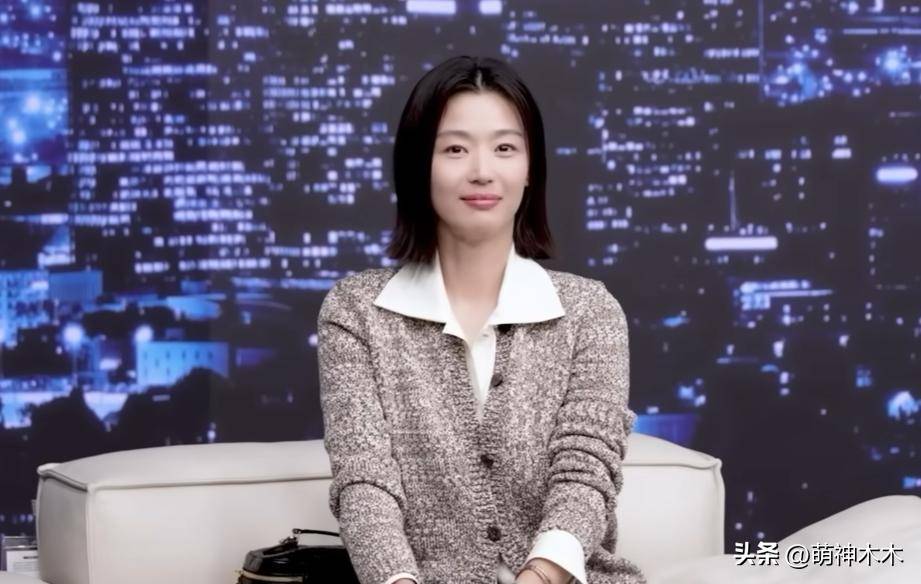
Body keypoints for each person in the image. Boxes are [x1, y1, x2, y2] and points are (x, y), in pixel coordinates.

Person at [317, 55, 646, 584]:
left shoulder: (590, 312)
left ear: (530, 168)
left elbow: (586, 472)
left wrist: (539, 576)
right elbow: (365, 480)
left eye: (504, 148)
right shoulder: (355, 312)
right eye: (454, 149)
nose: (481, 171)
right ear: (418, 165)